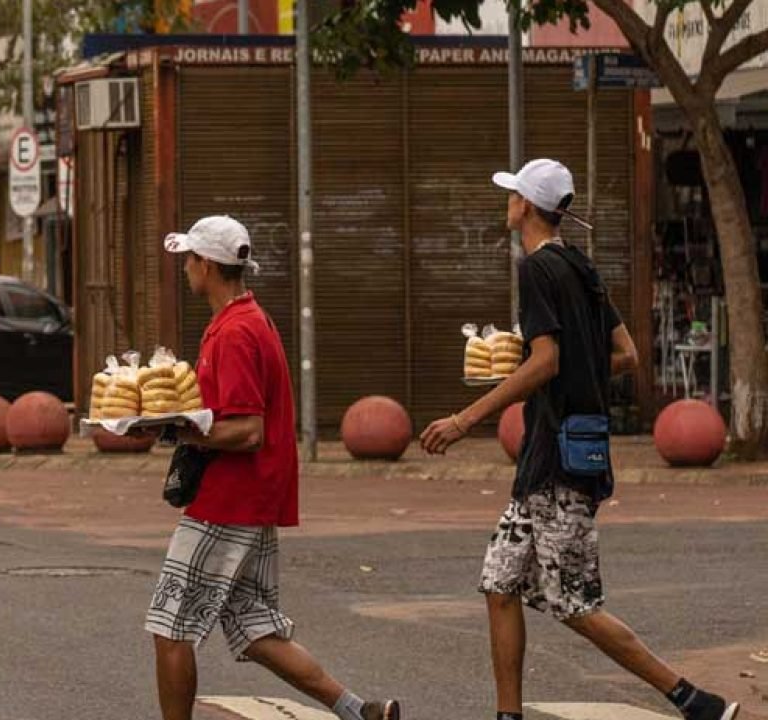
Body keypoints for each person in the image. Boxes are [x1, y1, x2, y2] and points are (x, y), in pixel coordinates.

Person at [420, 160, 740, 720]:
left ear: (526, 206)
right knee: (499, 583)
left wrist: (465, 418)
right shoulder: (582, 267)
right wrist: (565, 374)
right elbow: (624, 355)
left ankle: (692, 700)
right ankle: (508, 714)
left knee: (573, 603)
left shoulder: (539, 268)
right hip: (550, 460)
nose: (508, 202)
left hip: (560, 465)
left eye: (513, 194)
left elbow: (546, 361)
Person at [145, 215, 401, 720]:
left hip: (227, 500)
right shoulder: (247, 319)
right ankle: (360, 711)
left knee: (170, 625)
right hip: (252, 498)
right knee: (255, 626)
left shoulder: (235, 333)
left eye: (190, 260)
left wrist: (167, 430)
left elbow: (247, 430)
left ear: (207, 266)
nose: (185, 269)